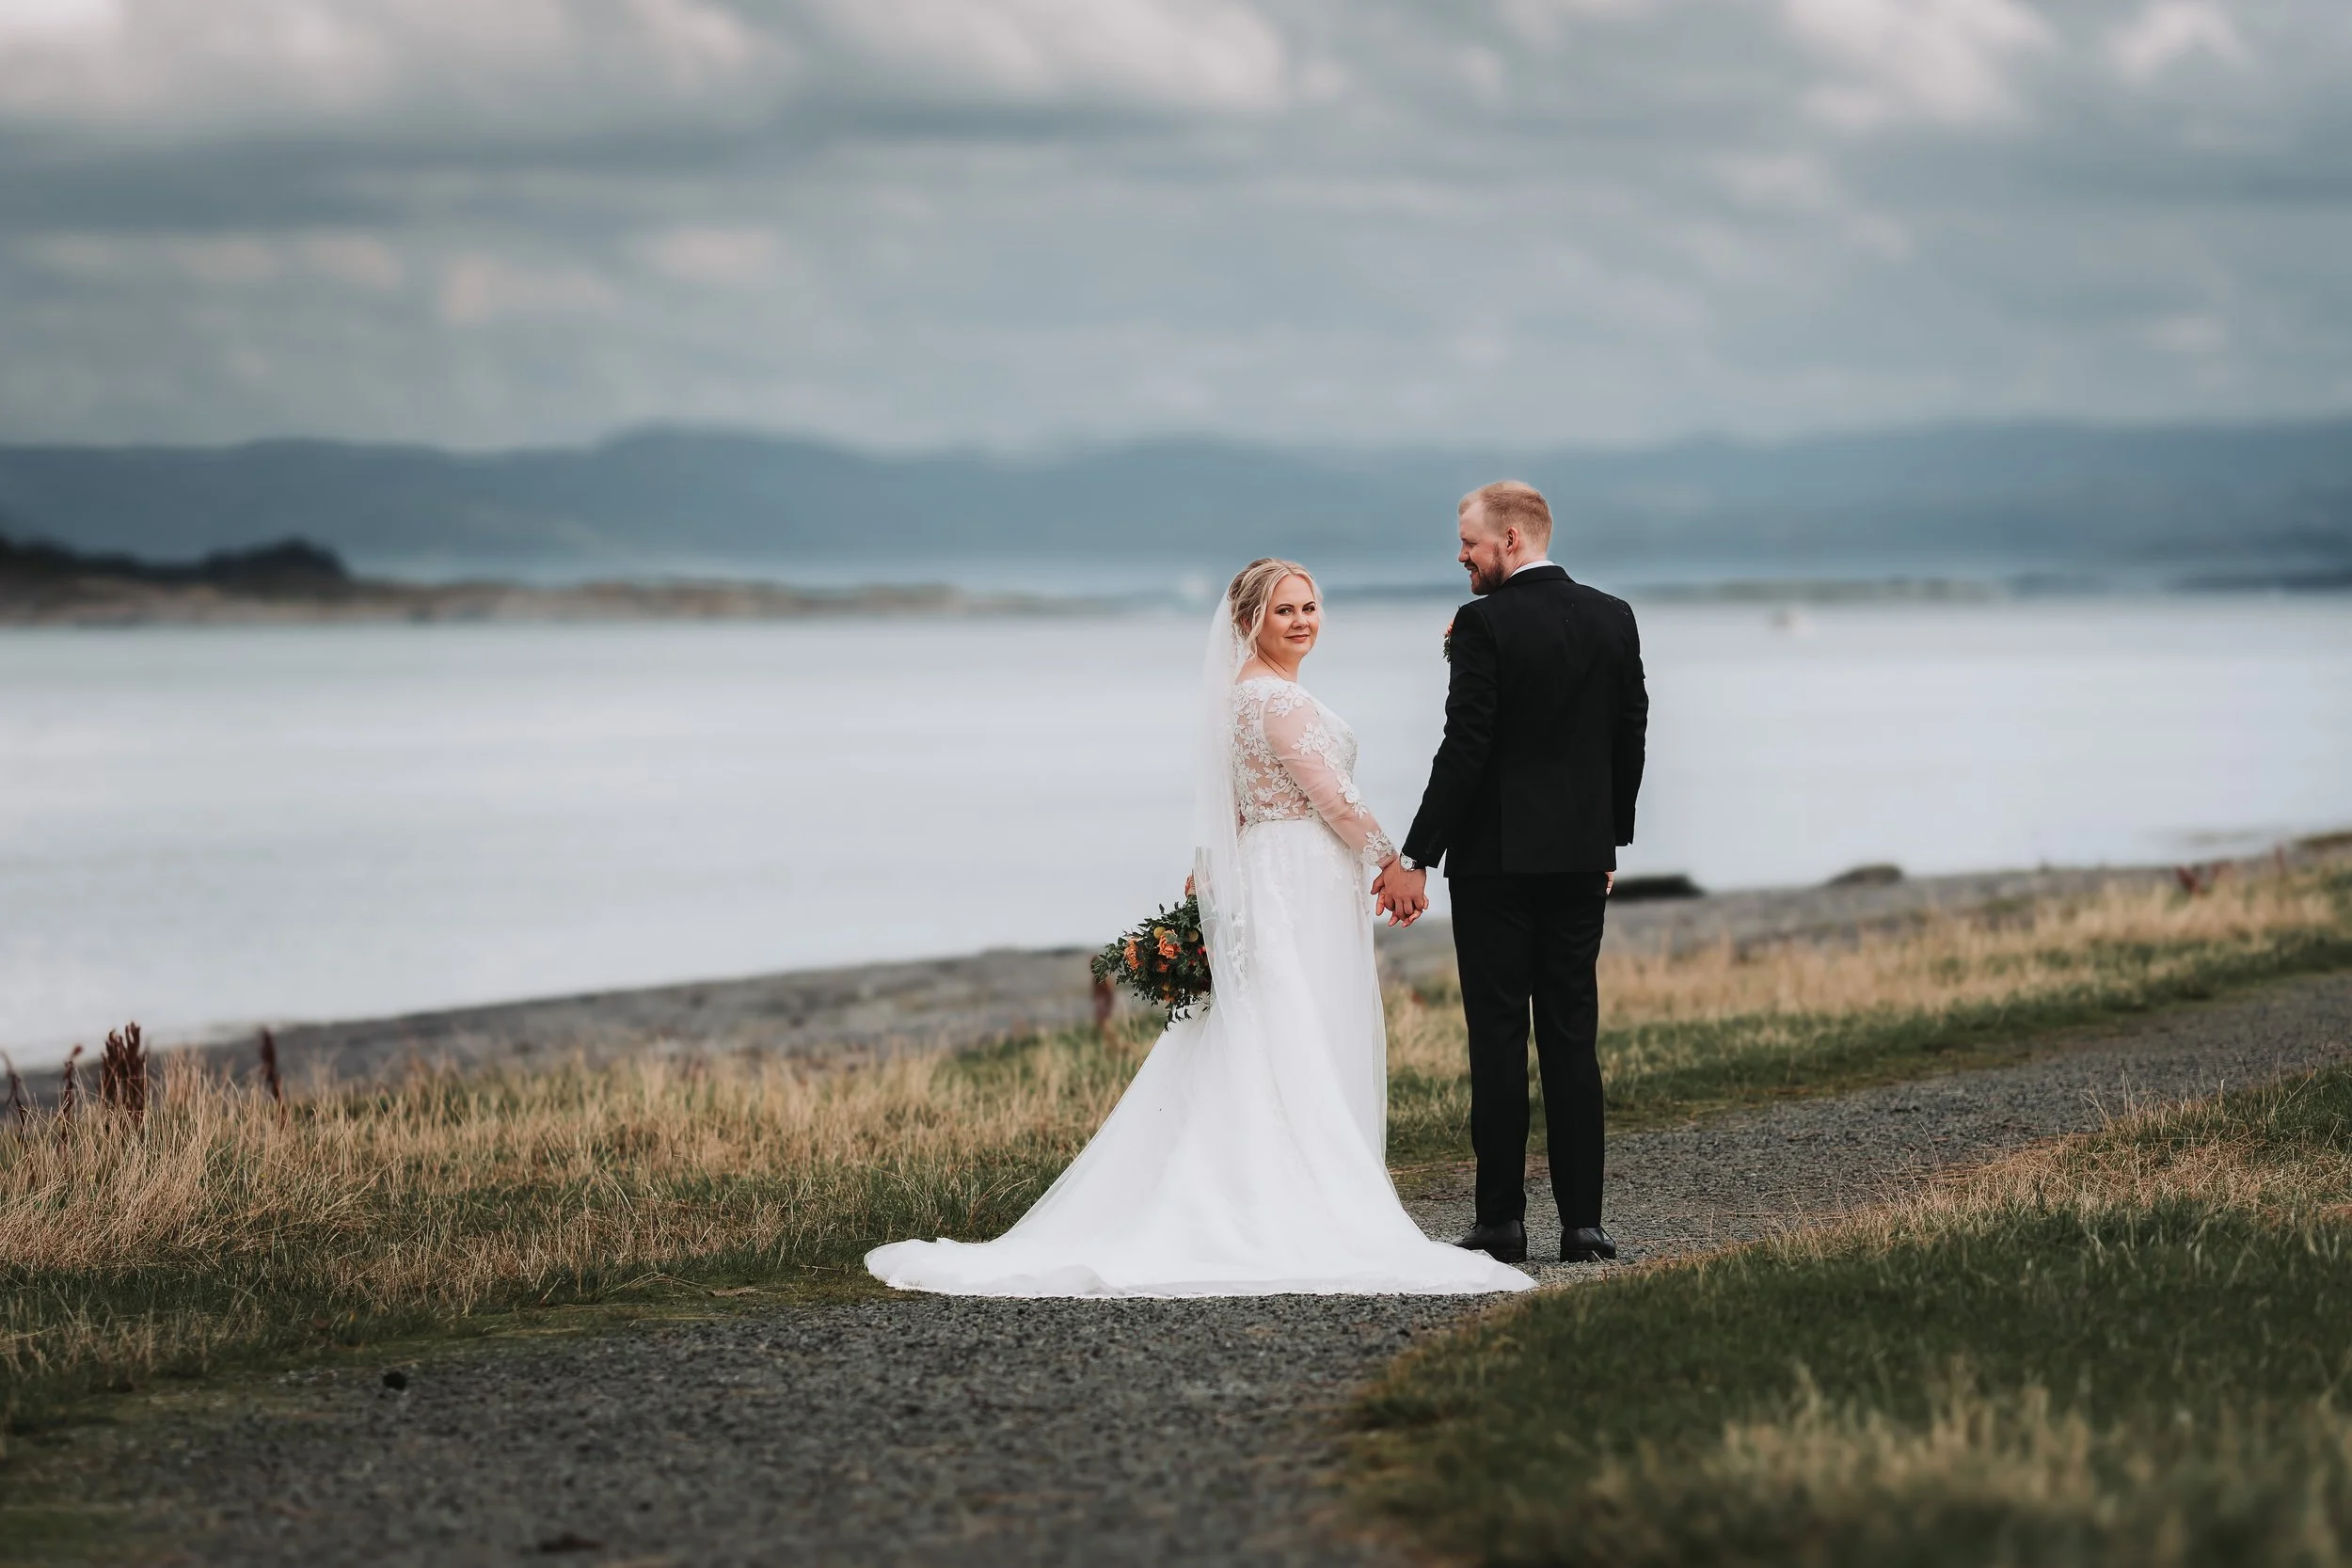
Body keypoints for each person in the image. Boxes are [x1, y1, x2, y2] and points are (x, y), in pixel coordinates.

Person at [866, 559, 1534, 1297]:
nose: (1303, 620)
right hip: (1295, 878)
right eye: (1285, 610)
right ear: (1250, 619)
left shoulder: (1239, 699)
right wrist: (1395, 862)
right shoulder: (1274, 700)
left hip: (1268, 870)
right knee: (1293, 1027)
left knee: (1271, 1025)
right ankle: (1289, 1197)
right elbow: (1334, 801)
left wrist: (1211, 878)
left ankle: (1270, 1180)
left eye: (1310, 606)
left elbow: (1233, 806)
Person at [1375, 481, 1649, 1267]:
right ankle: (1584, 1226)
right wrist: (1609, 840)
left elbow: (1467, 747)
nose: (1460, 555)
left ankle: (1501, 1222)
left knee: (1497, 1038)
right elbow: (1629, 733)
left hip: (1494, 864)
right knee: (1571, 1034)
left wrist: (1417, 853)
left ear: (1513, 540)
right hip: (1577, 859)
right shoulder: (1613, 615)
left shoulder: (1483, 623)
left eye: (1469, 542)